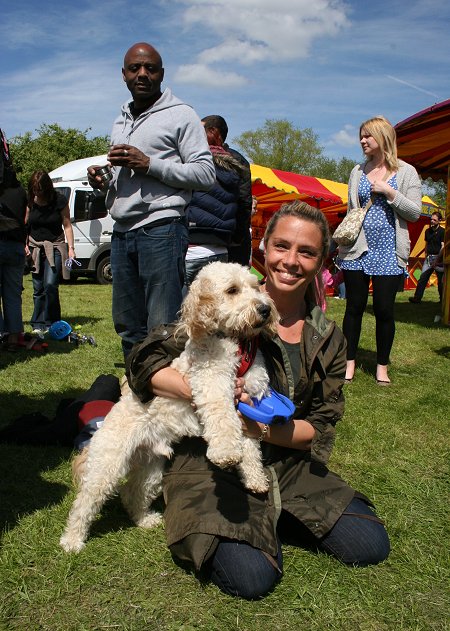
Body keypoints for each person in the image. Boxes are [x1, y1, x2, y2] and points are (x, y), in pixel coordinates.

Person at [126, 200, 390, 600]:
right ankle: (242, 521)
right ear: (263, 248)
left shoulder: (328, 336)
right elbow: (144, 363)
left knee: (369, 544)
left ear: (321, 262)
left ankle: (271, 513)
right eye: (282, 246)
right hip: (206, 459)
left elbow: (316, 430)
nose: (291, 260)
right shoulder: (225, 298)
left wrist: (254, 426)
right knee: (251, 578)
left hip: (284, 459)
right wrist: (206, 393)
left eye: (306, 252)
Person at [88, 43, 215, 358]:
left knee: (162, 327)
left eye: (150, 68)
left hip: (162, 228)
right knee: (128, 325)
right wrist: (103, 182)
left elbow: (205, 174)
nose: (142, 74)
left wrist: (150, 164)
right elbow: (123, 178)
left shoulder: (181, 114)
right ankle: (136, 394)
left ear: (162, 73)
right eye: (134, 68)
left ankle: (165, 401)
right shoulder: (121, 120)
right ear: (124, 75)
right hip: (121, 231)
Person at [337, 116, 421, 385]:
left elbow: (415, 212)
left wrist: (390, 192)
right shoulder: (357, 171)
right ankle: (349, 363)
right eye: (361, 136)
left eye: (367, 136)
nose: (362, 141)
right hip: (357, 250)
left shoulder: (406, 172)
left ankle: (381, 366)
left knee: (384, 310)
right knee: (354, 308)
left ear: (382, 137)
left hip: (388, 251)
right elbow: (352, 210)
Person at [184, 127, 245, 287]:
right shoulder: (236, 167)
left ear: (212, 133)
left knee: (184, 307)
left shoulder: (195, 162)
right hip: (221, 248)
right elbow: (244, 204)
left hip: (193, 247)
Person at [26, 170, 74, 335]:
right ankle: (37, 322)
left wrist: (71, 248)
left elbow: (67, 225)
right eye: (34, 189)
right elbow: (26, 224)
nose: (37, 192)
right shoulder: (30, 201)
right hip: (35, 247)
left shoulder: (59, 200)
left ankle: (52, 321)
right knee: (38, 287)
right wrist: (24, 244)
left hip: (55, 246)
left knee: (50, 284)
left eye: (40, 189)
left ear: (47, 187)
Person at [201, 115, 253, 267]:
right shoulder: (198, 157)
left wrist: (239, 237)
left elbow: (244, 202)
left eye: (200, 130)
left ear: (213, 132)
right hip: (212, 240)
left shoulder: (236, 161)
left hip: (228, 241)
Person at [0, 147, 27, 349]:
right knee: (12, 295)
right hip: (16, 247)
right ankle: (13, 338)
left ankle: (2, 334)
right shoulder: (20, 191)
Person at [409, 211, 444, 304]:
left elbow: (443, 246)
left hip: (439, 259)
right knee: (422, 278)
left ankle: (442, 300)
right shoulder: (427, 231)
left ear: (439, 220)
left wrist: (437, 261)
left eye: (434, 220)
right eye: (431, 219)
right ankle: (417, 298)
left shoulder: (443, 232)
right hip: (429, 259)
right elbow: (426, 244)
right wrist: (426, 255)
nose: (432, 221)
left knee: (441, 282)